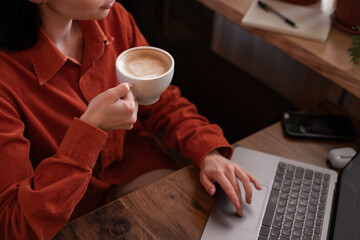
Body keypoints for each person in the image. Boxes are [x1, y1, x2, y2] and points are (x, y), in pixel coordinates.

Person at [0, 0, 261, 239]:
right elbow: (15, 226)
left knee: (215, 226)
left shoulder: (115, 18)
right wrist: (90, 130)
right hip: (65, 210)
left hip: (133, 166)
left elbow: (162, 102)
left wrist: (209, 153)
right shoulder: (5, 81)